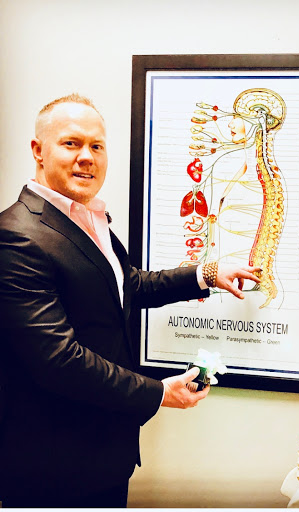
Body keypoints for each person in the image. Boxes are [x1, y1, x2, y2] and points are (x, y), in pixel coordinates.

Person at [0, 94, 261, 508]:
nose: (87, 157)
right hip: (53, 469)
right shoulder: (16, 236)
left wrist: (206, 274)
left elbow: (126, 285)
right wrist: (158, 393)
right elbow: (59, 359)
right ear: (38, 150)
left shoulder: (85, 218)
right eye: (71, 143)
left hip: (104, 456)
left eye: (97, 146)